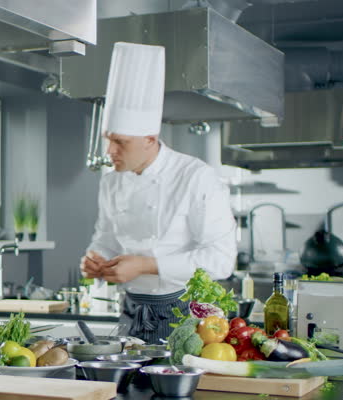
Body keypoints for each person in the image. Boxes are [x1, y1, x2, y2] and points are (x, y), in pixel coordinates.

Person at [79, 42, 237, 344]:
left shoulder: (196, 177)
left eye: (120, 142)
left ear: (150, 138)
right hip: (130, 312)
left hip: (185, 316)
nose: (109, 151)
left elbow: (220, 259)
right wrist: (97, 258)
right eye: (108, 140)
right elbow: (107, 238)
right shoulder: (112, 181)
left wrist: (146, 265)